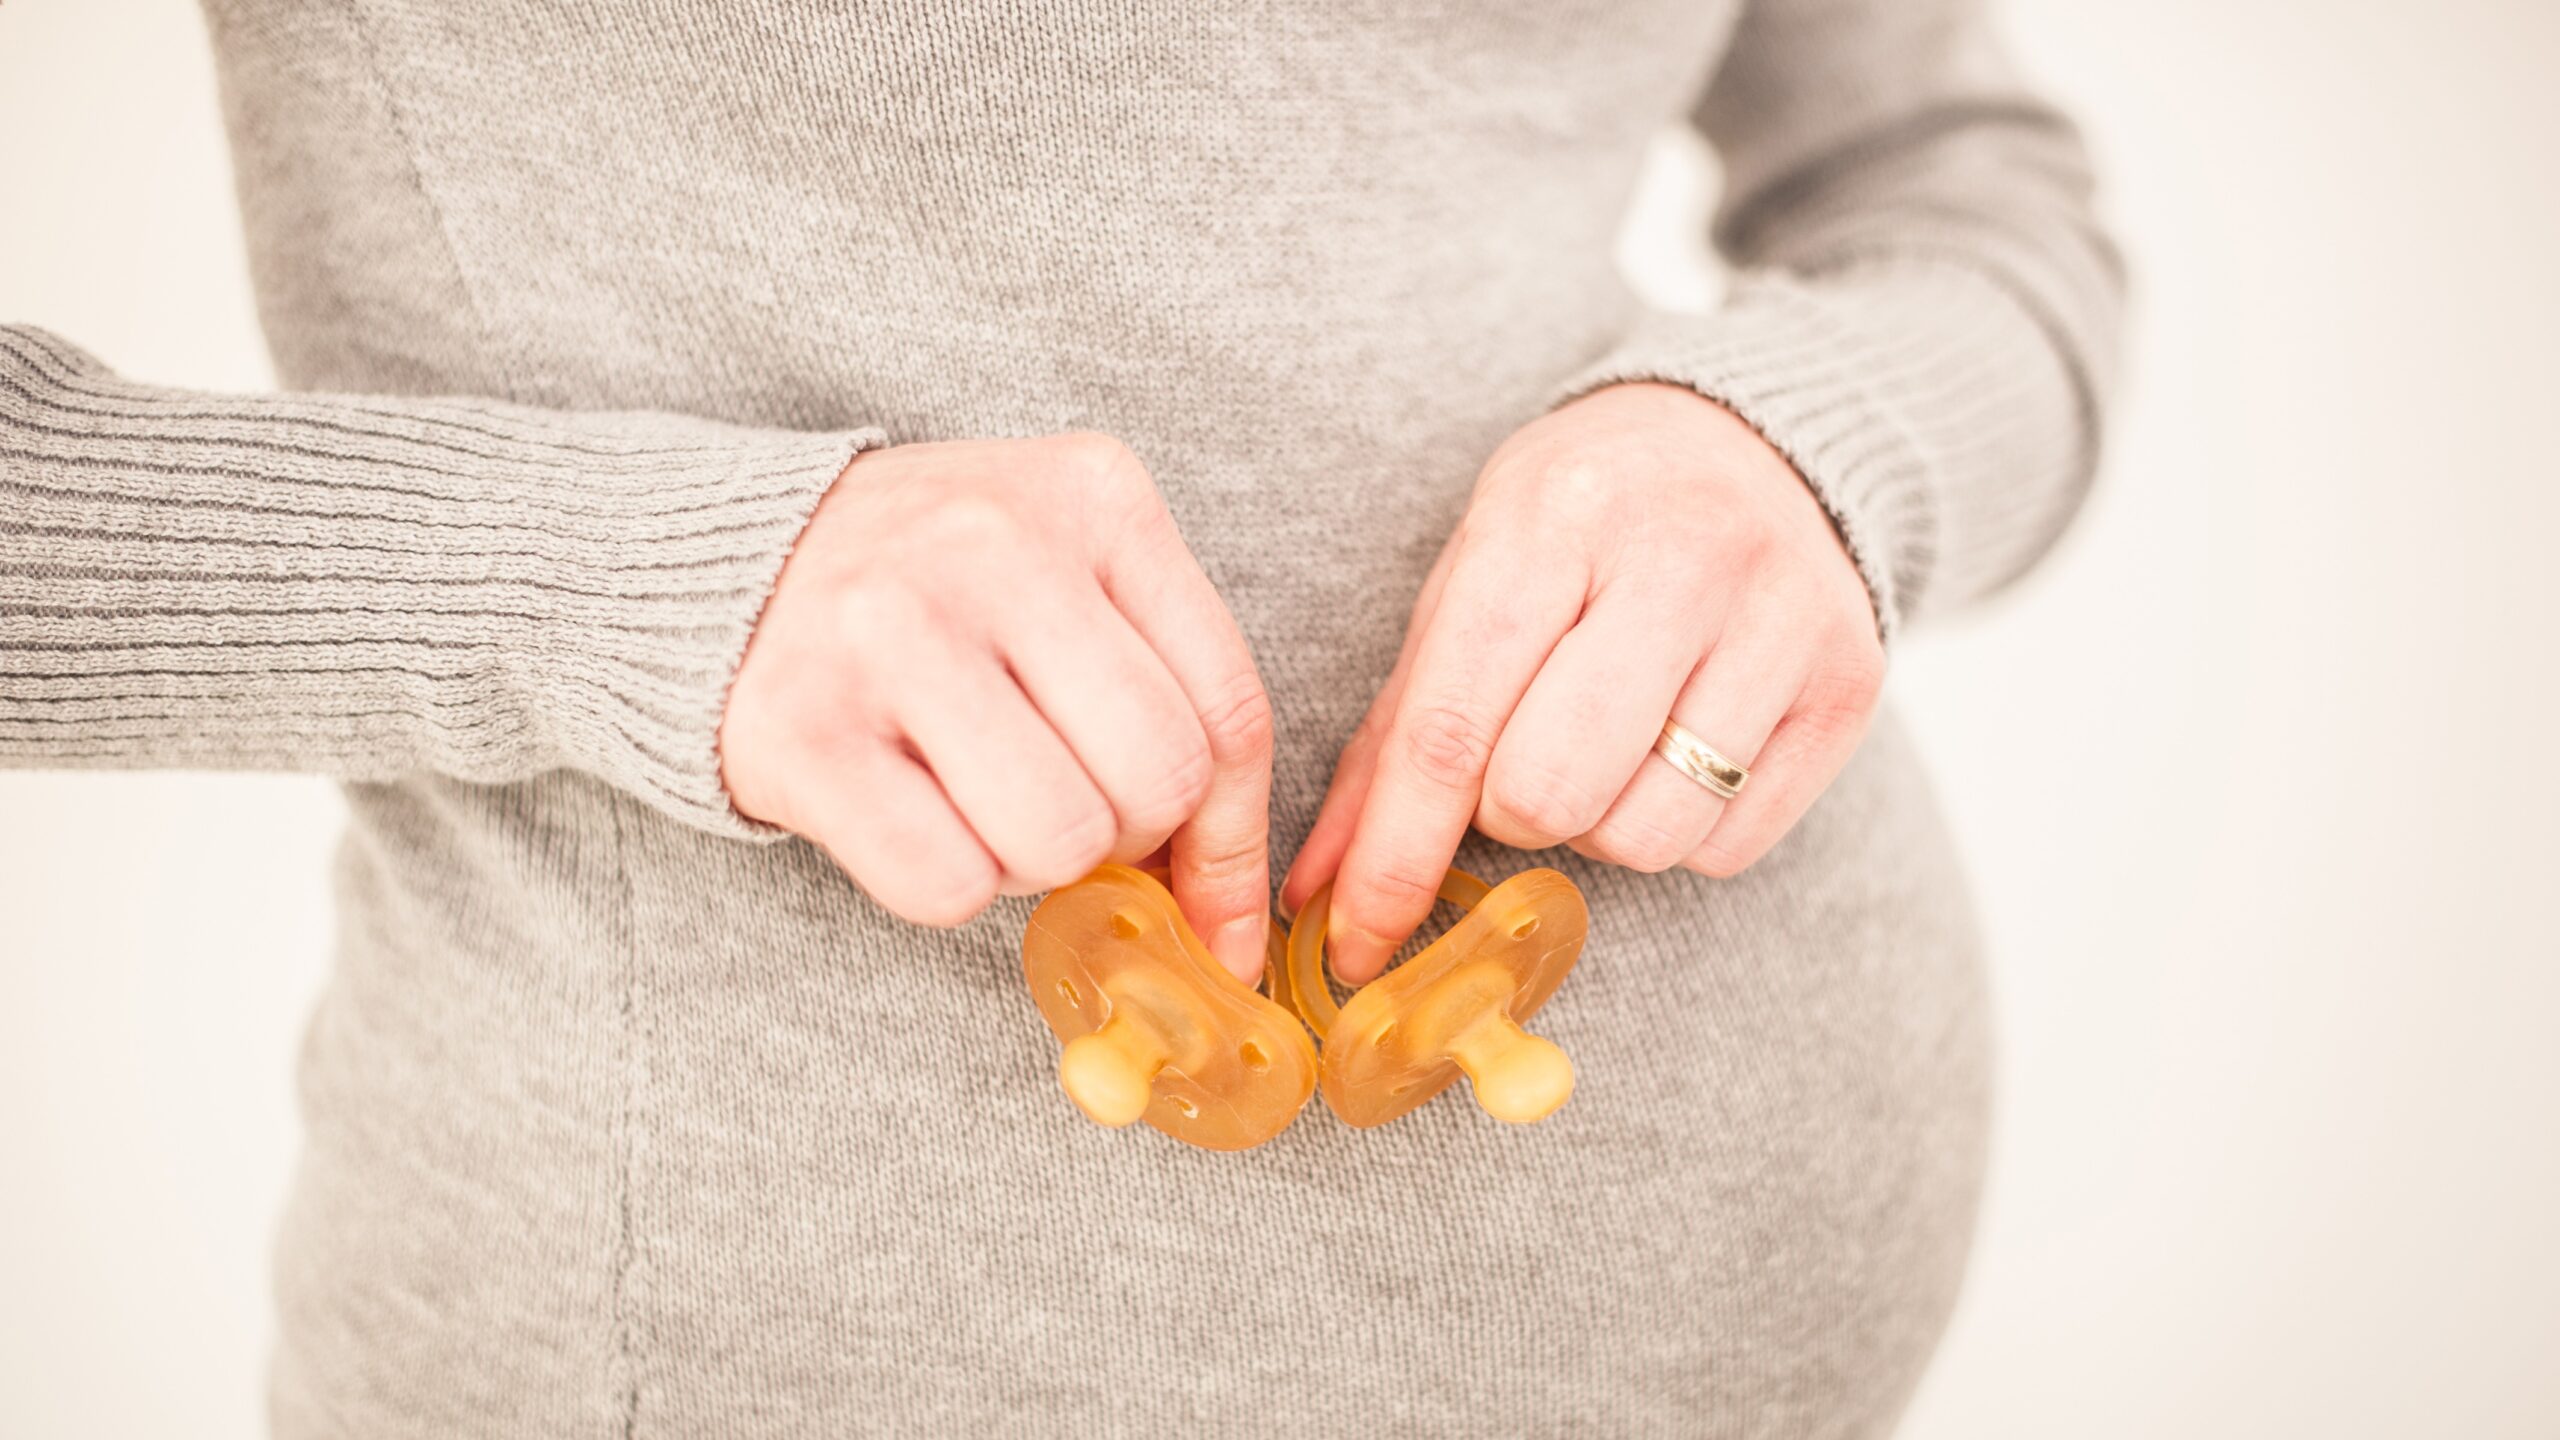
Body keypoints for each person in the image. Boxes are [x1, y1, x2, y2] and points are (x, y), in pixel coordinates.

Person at [0, 0, 2119, 1434]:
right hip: (768, 1348)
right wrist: (653, 578)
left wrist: (1819, 453)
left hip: (1730, 1320)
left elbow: (1958, 182)